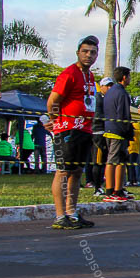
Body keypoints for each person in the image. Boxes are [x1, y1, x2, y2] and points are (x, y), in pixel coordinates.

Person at [46, 36, 99, 229]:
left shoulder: (90, 76)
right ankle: (60, 216)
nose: (89, 55)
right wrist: (55, 122)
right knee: (63, 171)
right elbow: (53, 101)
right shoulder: (69, 74)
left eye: (93, 52)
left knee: (76, 172)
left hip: (85, 128)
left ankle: (72, 212)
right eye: (85, 51)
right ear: (78, 52)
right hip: (67, 129)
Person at [102, 67, 134, 202]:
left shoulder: (110, 92)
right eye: (129, 76)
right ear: (125, 77)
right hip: (118, 131)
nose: (130, 79)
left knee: (120, 161)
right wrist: (128, 131)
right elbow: (123, 114)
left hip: (109, 128)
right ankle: (110, 191)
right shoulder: (122, 93)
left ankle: (118, 189)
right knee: (114, 161)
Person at [126, 112, 140, 187]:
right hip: (135, 149)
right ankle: (133, 180)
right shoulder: (138, 127)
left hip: (131, 148)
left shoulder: (134, 127)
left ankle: (131, 180)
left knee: (130, 165)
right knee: (132, 166)